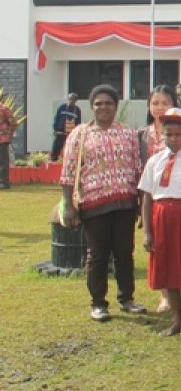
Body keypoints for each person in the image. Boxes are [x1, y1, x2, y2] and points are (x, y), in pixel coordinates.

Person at [60, 85, 144, 322]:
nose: (103, 107)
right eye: (98, 103)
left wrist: (139, 203)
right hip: (94, 205)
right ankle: (98, 303)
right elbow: (67, 173)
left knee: (124, 253)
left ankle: (126, 298)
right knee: (97, 255)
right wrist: (67, 204)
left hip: (125, 203)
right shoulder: (80, 134)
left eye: (108, 102)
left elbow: (137, 168)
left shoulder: (128, 133)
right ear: (91, 107)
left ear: (116, 106)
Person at [138, 107, 181, 337]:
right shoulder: (155, 161)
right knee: (167, 269)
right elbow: (146, 197)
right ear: (162, 135)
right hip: (161, 216)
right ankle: (175, 319)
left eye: (177, 134)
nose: (173, 139)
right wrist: (147, 231)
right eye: (168, 134)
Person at [51, 93, 82, 162]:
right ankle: (53, 160)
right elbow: (56, 118)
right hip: (61, 132)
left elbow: (78, 122)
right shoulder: (62, 107)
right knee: (56, 147)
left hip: (71, 134)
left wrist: (77, 132)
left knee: (71, 148)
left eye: (73, 99)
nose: (70, 101)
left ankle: (70, 161)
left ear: (76, 100)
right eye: (69, 99)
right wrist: (55, 129)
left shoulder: (77, 110)